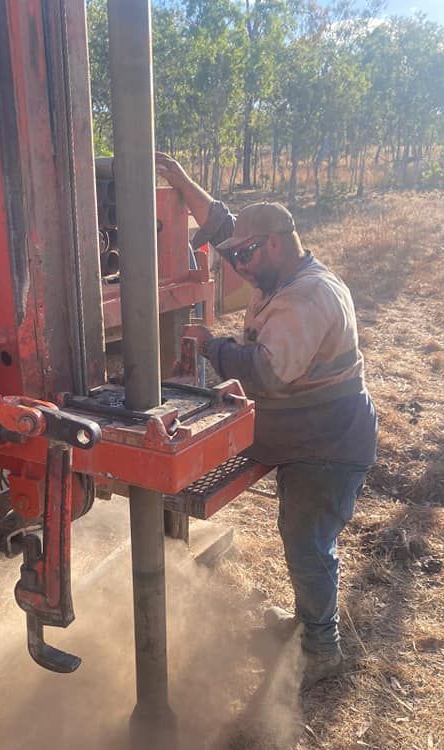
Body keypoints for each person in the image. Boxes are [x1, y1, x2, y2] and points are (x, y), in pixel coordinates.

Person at [156, 152, 378, 689]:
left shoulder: (309, 296)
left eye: (244, 258)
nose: (237, 267)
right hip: (303, 431)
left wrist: (213, 347)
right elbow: (227, 227)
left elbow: (270, 373)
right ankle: (307, 624)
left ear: (275, 244)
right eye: (233, 259)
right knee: (298, 534)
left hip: (327, 444)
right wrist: (182, 180)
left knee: (307, 541)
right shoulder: (276, 268)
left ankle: (321, 647)